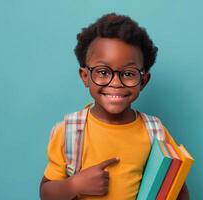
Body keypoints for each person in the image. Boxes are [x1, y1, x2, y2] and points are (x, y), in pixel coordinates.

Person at [39, 12, 189, 200]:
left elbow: (179, 190)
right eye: (103, 72)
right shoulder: (69, 131)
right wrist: (74, 185)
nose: (115, 82)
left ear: (143, 80)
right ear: (85, 76)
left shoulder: (155, 131)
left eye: (128, 73)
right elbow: (46, 194)